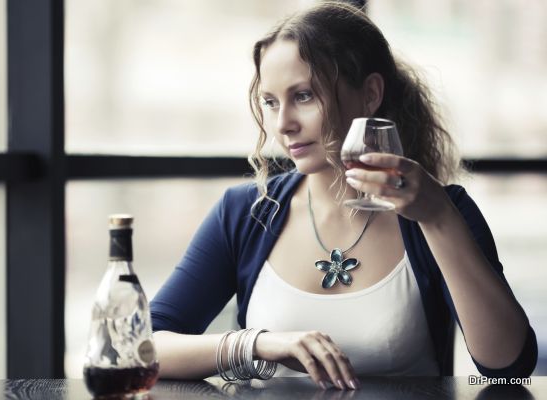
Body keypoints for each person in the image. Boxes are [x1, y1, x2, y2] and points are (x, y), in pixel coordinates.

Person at [150, 1, 537, 391]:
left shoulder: (443, 210)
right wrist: (259, 344)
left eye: (303, 96)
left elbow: (507, 367)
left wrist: (437, 217)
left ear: (370, 94)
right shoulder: (247, 212)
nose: (283, 124)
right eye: (270, 101)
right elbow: (143, 347)